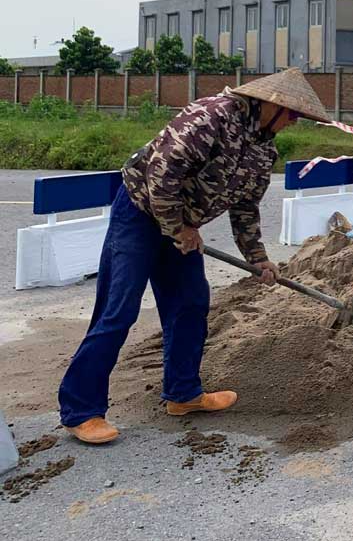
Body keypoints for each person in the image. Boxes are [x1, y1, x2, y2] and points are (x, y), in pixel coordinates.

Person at [58, 68, 331, 444]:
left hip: (181, 226)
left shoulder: (264, 148)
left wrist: (258, 257)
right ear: (271, 104)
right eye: (292, 114)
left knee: (190, 303)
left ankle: (183, 394)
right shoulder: (210, 117)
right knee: (118, 309)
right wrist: (178, 229)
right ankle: (81, 411)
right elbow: (161, 174)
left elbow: (246, 207)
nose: (292, 122)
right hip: (139, 212)